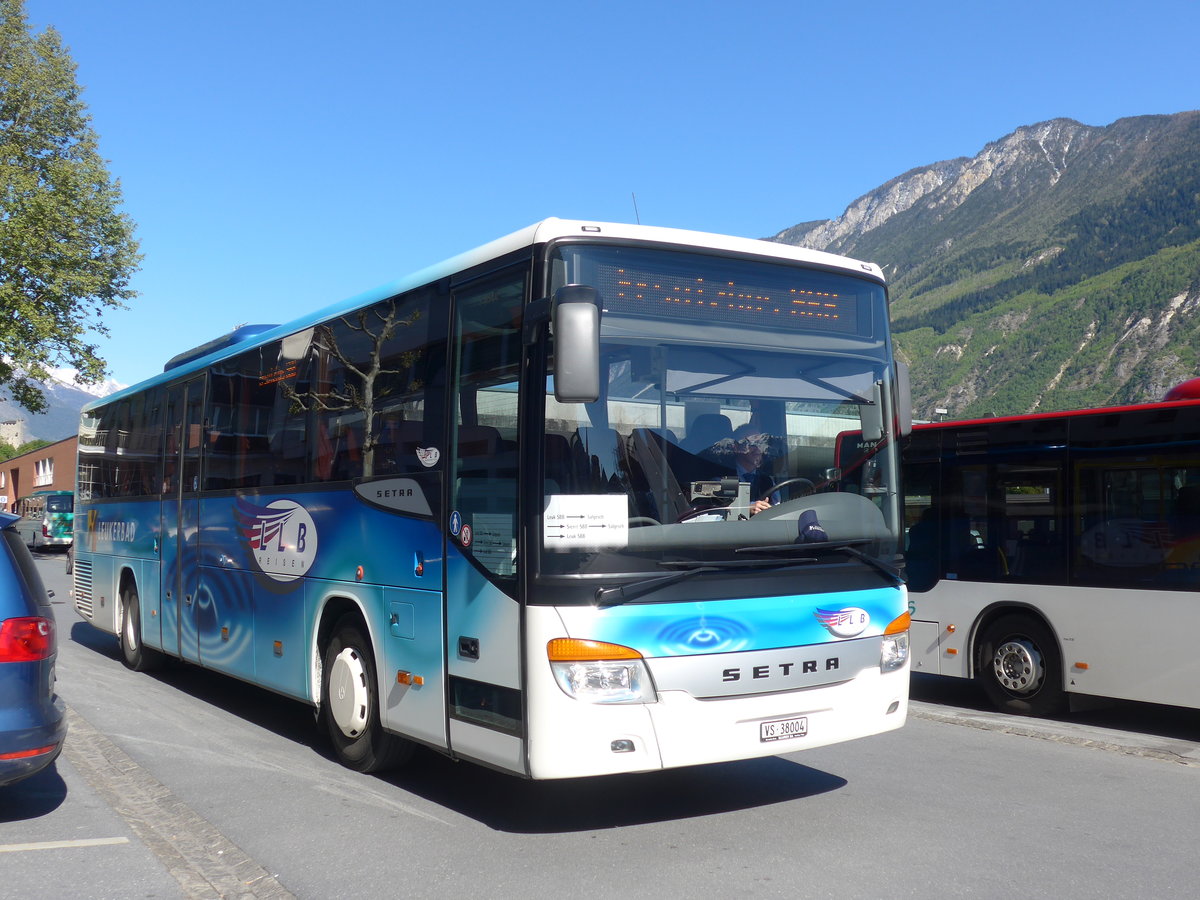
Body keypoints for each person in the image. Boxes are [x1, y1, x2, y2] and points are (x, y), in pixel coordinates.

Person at [730, 423, 779, 516]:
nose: (758, 448)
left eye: (760, 443)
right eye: (752, 444)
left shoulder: (768, 481)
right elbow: (718, 510)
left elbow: (779, 508)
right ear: (736, 447)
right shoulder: (721, 479)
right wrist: (746, 508)